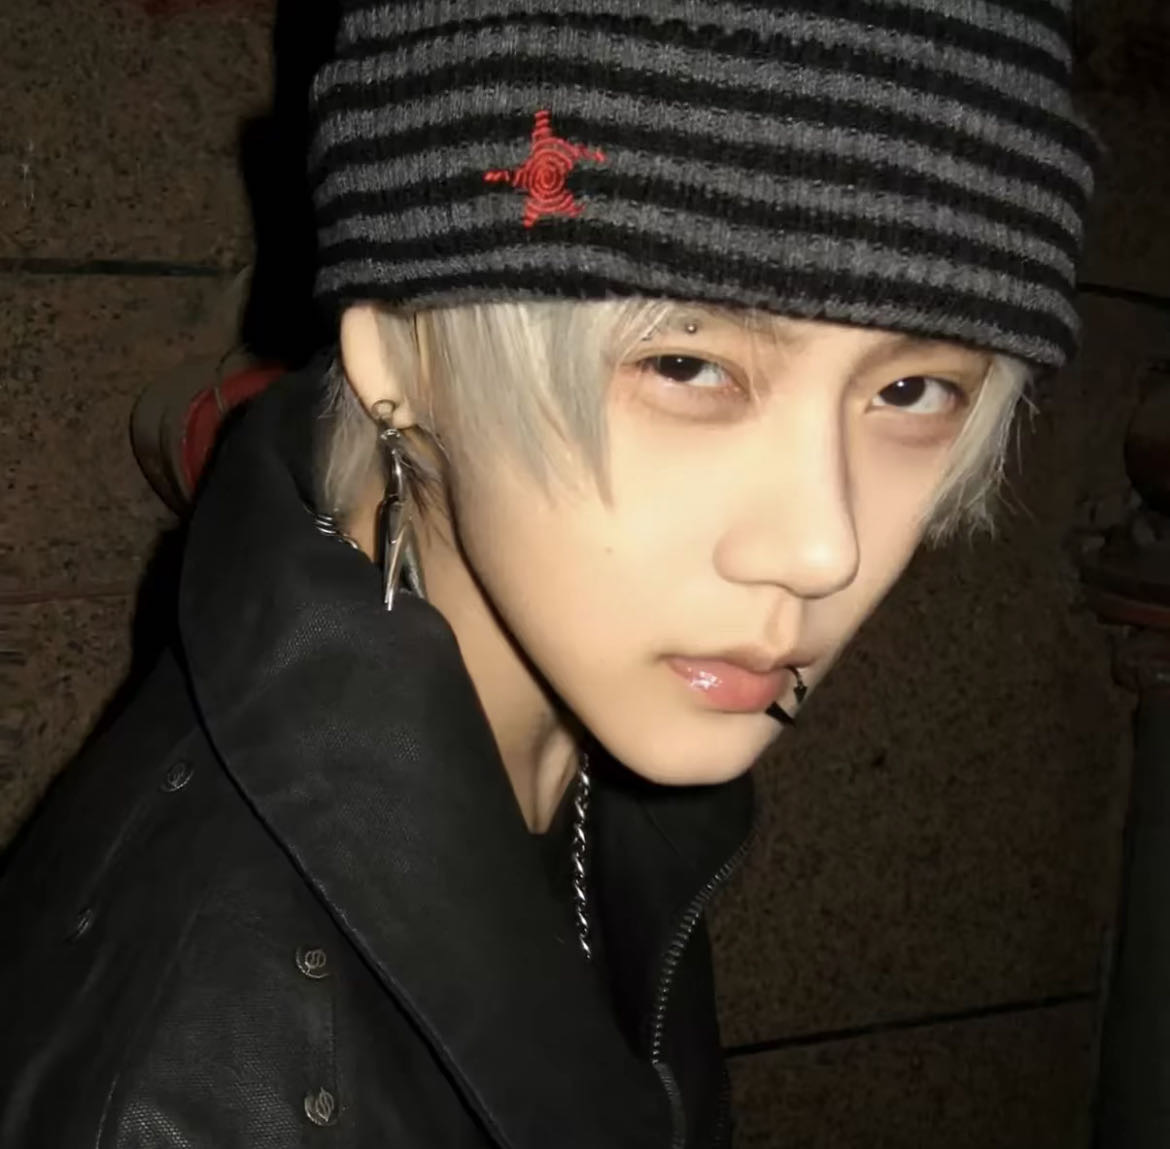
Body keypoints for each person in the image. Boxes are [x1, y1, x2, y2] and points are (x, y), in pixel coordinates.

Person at [0, 1, 1096, 1146]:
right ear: (400, 362)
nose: (825, 550)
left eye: (914, 391)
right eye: (686, 366)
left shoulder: (560, 720)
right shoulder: (193, 1082)